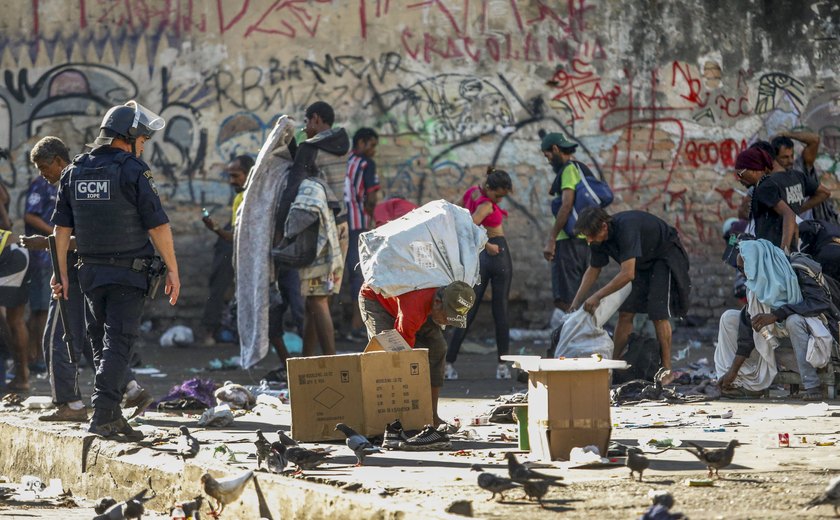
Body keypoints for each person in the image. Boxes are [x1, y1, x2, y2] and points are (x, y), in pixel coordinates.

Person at [52, 100, 180, 439]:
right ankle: (105, 413)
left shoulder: (74, 170)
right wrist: (173, 269)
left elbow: (61, 230)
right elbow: (158, 228)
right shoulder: (133, 170)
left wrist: (61, 273)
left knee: (100, 343)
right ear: (130, 136)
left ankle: (109, 413)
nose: (143, 146)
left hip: (89, 273)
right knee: (118, 344)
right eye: (143, 140)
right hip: (127, 274)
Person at [570, 207, 691, 384]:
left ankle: (667, 370)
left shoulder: (627, 228)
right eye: (585, 236)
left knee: (658, 314)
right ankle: (612, 365)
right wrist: (576, 302)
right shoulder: (596, 239)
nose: (589, 240)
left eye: (591, 235)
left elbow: (627, 274)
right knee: (626, 313)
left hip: (664, 257)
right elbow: (594, 269)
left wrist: (597, 296)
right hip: (641, 264)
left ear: (604, 226)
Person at [715, 239, 839, 400]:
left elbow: (819, 302)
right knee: (729, 318)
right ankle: (740, 383)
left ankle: (812, 385)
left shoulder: (798, 268)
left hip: (818, 341)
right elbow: (747, 330)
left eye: (743, 267)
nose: (742, 273)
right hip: (781, 347)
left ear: (757, 262)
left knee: (794, 320)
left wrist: (777, 315)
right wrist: (732, 371)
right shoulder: (756, 288)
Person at [276, 101, 350, 357]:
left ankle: (331, 362)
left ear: (316, 119)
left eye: (307, 122)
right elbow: (315, 170)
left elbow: (292, 189)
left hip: (318, 230)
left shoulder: (311, 147)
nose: (306, 128)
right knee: (315, 300)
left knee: (317, 300)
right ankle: (307, 362)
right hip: (341, 227)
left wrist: (281, 232)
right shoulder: (342, 144)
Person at [359, 281, 475, 427]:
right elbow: (402, 356)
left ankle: (431, 416)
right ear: (438, 303)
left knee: (438, 348)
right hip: (377, 299)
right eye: (447, 317)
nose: (448, 323)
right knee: (388, 358)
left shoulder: (444, 291)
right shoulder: (413, 311)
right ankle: (389, 421)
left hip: (415, 303)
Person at [445, 167, 513, 380]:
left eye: (503, 196)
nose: (499, 200)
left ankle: (448, 363)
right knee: (500, 311)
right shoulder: (485, 204)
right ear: (489, 188)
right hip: (495, 253)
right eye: (497, 195)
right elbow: (469, 225)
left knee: (467, 309)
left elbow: (459, 212)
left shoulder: (473, 192)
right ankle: (502, 366)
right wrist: (488, 245)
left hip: (480, 256)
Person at [25, 137, 70, 375]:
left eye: (44, 167)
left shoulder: (69, 182)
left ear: (59, 161)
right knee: (42, 309)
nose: (42, 173)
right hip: (43, 258)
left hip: (60, 254)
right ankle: (35, 356)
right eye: (39, 169)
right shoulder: (41, 186)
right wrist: (55, 235)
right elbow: (30, 216)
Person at [199, 155, 254, 345]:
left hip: (242, 246)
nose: (232, 181)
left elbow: (237, 236)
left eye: (236, 176)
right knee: (219, 285)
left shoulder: (253, 198)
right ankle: (211, 330)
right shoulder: (241, 196)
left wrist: (215, 228)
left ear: (249, 174)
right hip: (234, 245)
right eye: (230, 176)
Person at [540, 133, 590, 312]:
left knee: (566, 300)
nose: (549, 161)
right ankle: (580, 336)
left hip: (568, 242)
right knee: (577, 296)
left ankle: (575, 338)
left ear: (555, 149)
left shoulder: (569, 170)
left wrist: (552, 239)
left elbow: (567, 204)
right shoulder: (581, 168)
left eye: (548, 156)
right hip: (583, 240)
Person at [343, 127, 381, 338]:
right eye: (372, 145)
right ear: (362, 143)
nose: (374, 150)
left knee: (343, 275)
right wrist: (370, 218)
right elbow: (372, 198)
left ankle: (344, 325)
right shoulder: (367, 164)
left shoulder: (345, 161)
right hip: (359, 225)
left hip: (340, 225)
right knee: (359, 273)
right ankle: (357, 326)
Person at [733, 147, 800, 252]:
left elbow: (789, 215)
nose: (739, 178)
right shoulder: (762, 186)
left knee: (740, 258)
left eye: (740, 174)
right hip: (769, 248)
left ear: (755, 170)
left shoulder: (764, 188)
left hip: (774, 251)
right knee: (737, 249)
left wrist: (784, 252)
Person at [772, 131, 836, 222]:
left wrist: (787, 134)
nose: (790, 161)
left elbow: (815, 140)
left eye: (792, 156)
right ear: (774, 158)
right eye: (785, 157)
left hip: (814, 226)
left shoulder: (799, 168)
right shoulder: (768, 180)